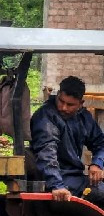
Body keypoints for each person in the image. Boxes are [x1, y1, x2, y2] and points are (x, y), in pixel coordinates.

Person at [30, 75, 104, 204]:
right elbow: (47, 152)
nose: (63, 108)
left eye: (70, 104)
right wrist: (56, 185)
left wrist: (97, 163)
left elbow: (100, 143)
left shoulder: (83, 117)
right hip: (57, 176)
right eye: (61, 101)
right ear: (58, 94)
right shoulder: (45, 117)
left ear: (81, 103)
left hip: (75, 176)